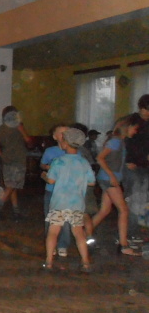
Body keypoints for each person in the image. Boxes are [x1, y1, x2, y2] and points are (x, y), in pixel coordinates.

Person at [43, 128, 96, 272]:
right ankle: (85, 262)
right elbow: (92, 182)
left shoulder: (58, 161)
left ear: (65, 143)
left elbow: (51, 180)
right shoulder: (84, 162)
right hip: (77, 203)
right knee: (79, 233)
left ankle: (49, 261)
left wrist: (44, 176)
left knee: (53, 231)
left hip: (59, 203)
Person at [91, 115, 142, 257]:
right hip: (109, 180)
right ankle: (123, 245)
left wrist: (125, 166)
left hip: (108, 179)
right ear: (127, 127)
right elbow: (100, 158)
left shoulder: (120, 141)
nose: (135, 132)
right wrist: (112, 176)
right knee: (124, 210)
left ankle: (83, 233)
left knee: (104, 210)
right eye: (134, 129)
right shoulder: (115, 141)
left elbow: (113, 159)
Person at [0, 105, 31, 220]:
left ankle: (16, 212)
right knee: (13, 185)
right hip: (18, 159)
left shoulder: (2, 128)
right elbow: (28, 140)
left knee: (11, 186)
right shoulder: (18, 126)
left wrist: (1, 155)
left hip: (6, 159)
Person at [40, 124, 72, 256]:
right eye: (61, 133)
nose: (64, 135)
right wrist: (48, 167)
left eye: (67, 132)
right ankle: (51, 244)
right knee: (50, 218)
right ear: (54, 136)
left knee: (66, 220)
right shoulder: (50, 151)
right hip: (51, 190)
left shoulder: (73, 151)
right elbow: (43, 164)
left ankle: (63, 244)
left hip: (68, 191)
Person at [123, 94, 149, 246]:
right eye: (147, 110)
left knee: (143, 200)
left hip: (145, 166)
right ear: (141, 108)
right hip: (132, 166)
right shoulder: (131, 121)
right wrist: (128, 160)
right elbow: (122, 142)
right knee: (133, 199)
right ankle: (129, 233)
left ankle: (137, 230)